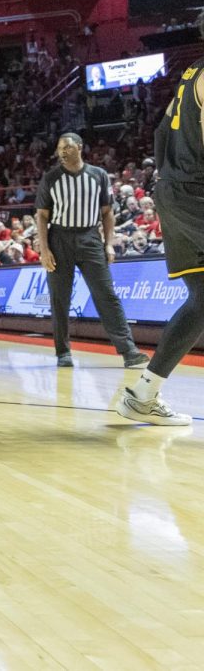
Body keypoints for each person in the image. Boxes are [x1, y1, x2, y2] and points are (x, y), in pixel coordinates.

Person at [115, 34, 204, 425]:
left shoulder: (190, 74)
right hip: (195, 189)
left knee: (203, 300)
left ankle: (143, 394)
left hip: (174, 189)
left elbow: (160, 133)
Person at [34, 133, 150, 369]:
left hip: (89, 237)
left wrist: (108, 243)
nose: (62, 152)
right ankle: (63, 353)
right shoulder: (51, 178)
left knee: (106, 294)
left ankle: (129, 351)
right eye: (59, 148)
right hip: (59, 238)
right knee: (60, 299)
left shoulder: (97, 175)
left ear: (79, 147)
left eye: (66, 147)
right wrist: (44, 249)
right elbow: (42, 216)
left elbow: (107, 212)